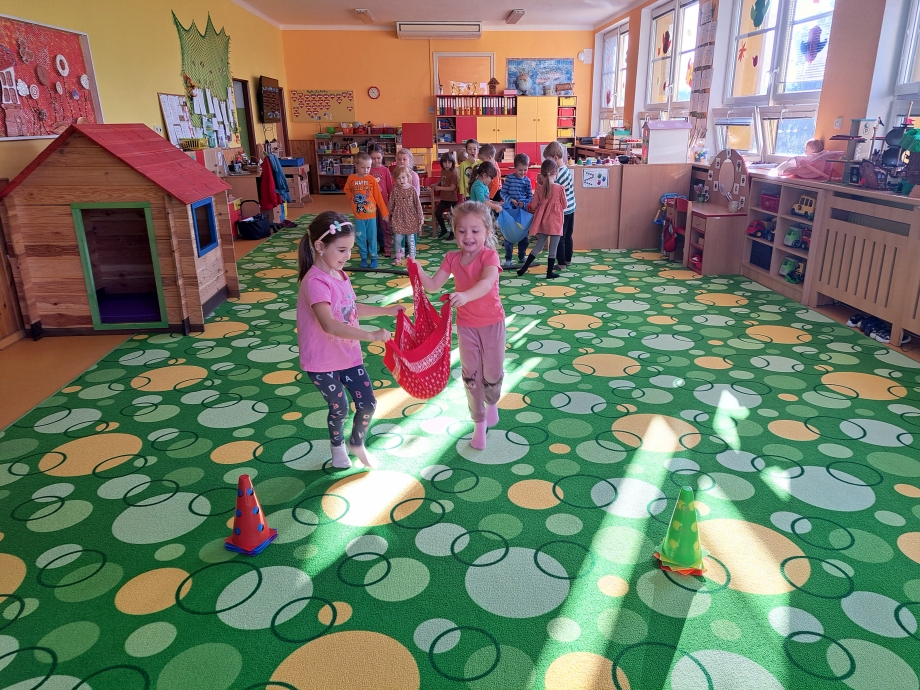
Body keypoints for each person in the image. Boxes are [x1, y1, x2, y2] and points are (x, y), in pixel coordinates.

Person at [297, 211, 403, 469]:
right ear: (320, 246)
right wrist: (370, 336)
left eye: (350, 250)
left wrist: (387, 310)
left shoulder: (340, 275)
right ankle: (337, 447)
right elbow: (329, 324)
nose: (347, 256)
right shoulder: (315, 282)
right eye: (342, 250)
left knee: (367, 403)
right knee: (340, 407)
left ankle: (357, 443)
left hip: (348, 357)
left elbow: (350, 309)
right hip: (322, 362)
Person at [412, 202, 505, 451]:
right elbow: (433, 286)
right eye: (462, 231)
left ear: (487, 231)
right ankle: (478, 422)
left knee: (492, 373)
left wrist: (465, 296)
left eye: (475, 231)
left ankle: (492, 402)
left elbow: (487, 283)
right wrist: (419, 271)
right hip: (466, 326)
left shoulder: (489, 256)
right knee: (471, 376)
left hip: (492, 323)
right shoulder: (452, 258)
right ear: (454, 232)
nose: (468, 236)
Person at [518, 159, 565, 279]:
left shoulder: (539, 188)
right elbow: (565, 205)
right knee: (553, 249)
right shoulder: (560, 188)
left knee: (538, 246)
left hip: (543, 221)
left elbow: (533, 206)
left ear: (542, 173)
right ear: (555, 173)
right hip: (556, 222)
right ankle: (549, 272)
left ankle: (524, 268)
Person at [344, 152, 388, 268]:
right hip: (358, 216)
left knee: (372, 237)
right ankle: (363, 257)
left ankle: (374, 257)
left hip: (371, 215)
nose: (366, 170)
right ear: (356, 166)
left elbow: (378, 197)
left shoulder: (372, 180)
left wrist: (385, 213)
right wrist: (352, 198)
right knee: (360, 237)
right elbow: (347, 189)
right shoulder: (351, 178)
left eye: (368, 167)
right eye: (363, 167)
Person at [544, 142, 576, 271]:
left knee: (560, 237)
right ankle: (568, 259)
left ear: (555, 158)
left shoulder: (558, 174)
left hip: (562, 211)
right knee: (568, 236)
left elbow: (552, 192)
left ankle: (561, 263)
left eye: (549, 160)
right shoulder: (565, 170)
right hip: (571, 208)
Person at [500, 152, 533, 268]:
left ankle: (522, 256)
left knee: (524, 236)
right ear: (515, 168)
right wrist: (511, 200)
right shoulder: (509, 178)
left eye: (525, 169)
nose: (523, 172)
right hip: (510, 211)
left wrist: (524, 202)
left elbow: (530, 196)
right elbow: (502, 193)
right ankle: (508, 258)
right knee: (509, 236)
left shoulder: (527, 181)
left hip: (522, 211)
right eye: (520, 170)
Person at [388, 165, 424, 265]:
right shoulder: (395, 189)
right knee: (397, 238)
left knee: (410, 239)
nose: (401, 180)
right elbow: (391, 203)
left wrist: (421, 217)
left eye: (403, 177)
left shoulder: (412, 189)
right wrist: (387, 214)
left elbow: (417, 204)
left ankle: (412, 257)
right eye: (398, 178)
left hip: (411, 217)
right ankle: (398, 255)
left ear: (408, 177)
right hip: (398, 217)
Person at [368, 143, 394, 258]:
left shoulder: (385, 170)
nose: (376, 161)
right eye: (373, 158)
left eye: (378, 158)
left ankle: (386, 247)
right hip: (370, 205)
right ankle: (372, 248)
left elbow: (390, 188)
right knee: (372, 227)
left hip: (384, 204)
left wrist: (391, 204)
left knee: (385, 227)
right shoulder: (367, 170)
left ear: (382, 156)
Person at [433, 152, 460, 240]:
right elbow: (442, 179)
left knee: (452, 216)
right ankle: (443, 229)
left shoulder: (453, 174)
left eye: (449, 162)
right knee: (437, 213)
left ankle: (452, 233)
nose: (447, 164)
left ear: (452, 163)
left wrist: (439, 188)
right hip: (444, 198)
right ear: (442, 163)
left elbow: (452, 188)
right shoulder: (443, 171)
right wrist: (436, 184)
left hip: (452, 199)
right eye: (445, 162)